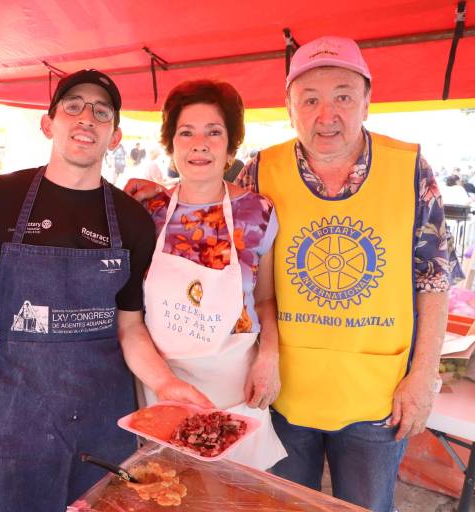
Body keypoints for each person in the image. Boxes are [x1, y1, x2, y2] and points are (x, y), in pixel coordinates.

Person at [127, 36, 449, 512]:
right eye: (310, 100)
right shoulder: (264, 170)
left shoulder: (410, 169)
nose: (327, 115)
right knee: (279, 505)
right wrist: (158, 193)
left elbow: (434, 280)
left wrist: (422, 376)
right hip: (281, 395)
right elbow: (208, 199)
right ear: (289, 107)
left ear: (367, 100)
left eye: (343, 96)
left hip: (376, 394)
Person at [0, 69, 211, 512]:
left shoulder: (132, 220)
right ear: (48, 123)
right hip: (15, 421)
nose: (86, 118)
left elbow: (130, 327)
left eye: (101, 112)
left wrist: (165, 383)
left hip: (104, 423)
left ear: (115, 137)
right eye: (73, 106)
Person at [139, 79, 286, 471]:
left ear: (231, 148)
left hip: (234, 386)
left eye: (214, 132)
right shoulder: (148, 211)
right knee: (170, 487)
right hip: (163, 384)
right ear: (171, 146)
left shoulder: (258, 213)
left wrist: (269, 356)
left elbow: (265, 299)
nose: (199, 144)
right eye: (186, 133)